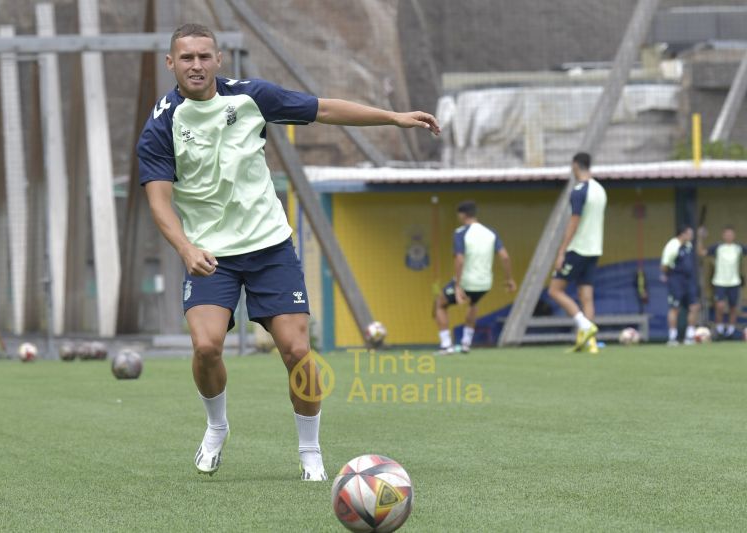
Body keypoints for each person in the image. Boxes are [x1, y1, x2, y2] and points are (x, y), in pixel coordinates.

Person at [137, 24, 440, 481]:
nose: (195, 65)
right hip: (209, 254)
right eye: (186, 58)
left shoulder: (251, 97)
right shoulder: (162, 123)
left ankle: (310, 452)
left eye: (204, 56)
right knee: (206, 346)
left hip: (269, 247)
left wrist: (393, 117)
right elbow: (158, 199)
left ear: (219, 60)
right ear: (171, 63)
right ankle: (216, 427)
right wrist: (184, 247)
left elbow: (323, 109)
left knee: (298, 351)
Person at [433, 201, 516, 355]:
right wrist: (509, 279)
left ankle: (446, 345)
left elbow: (459, 259)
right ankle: (466, 343)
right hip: (485, 283)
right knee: (473, 304)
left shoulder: (461, 232)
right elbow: (504, 257)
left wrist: (458, 286)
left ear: (462, 215)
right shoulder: (491, 232)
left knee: (440, 304)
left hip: (466, 282)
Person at [548, 152, 607, 353]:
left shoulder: (579, 190)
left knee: (555, 290)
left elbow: (575, 221)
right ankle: (590, 343)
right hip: (595, 249)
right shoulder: (600, 189)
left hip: (578, 248)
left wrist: (562, 250)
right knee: (586, 295)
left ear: (575, 165)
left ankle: (585, 325)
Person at [698, 225, 746, 339]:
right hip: (719, 282)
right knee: (720, 306)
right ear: (723, 235)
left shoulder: (739, 248)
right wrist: (699, 237)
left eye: (731, 234)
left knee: (733, 307)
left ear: (734, 235)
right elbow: (701, 252)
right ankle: (719, 328)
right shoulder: (717, 247)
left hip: (735, 282)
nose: (729, 236)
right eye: (727, 234)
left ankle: (730, 330)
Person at [660, 226, 700, 345]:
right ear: (682, 234)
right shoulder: (673, 246)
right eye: (689, 234)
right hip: (676, 280)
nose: (691, 237)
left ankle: (690, 336)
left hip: (690, 281)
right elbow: (664, 265)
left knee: (694, 306)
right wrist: (669, 275)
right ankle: (672, 337)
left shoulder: (688, 246)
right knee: (674, 308)